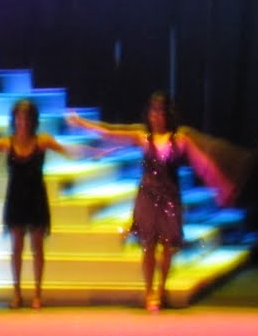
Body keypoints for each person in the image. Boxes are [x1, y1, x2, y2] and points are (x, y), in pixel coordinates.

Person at [67, 93, 246, 310]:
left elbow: (202, 165)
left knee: (169, 246)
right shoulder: (142, 136)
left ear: (168, 115)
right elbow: (110, 131)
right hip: (147, 196)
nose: (157, 116)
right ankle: (149, 290)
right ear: (149, 114)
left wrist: (220, 186)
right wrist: (81, 123)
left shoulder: (180, 139)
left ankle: (161, 286)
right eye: (154, 111)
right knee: (148, 246)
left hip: (170, 197)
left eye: (161, 112)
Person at [0, 99, 78, 309]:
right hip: (16, 199)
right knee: (16, 248)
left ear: (33, 120)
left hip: (36, 198)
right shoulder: (6, 143)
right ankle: (17, 293)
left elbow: (68, 150)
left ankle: (37, 294)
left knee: (37, 248)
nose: (23, 122)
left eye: (27, 118)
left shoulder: (42, 141)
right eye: (19, 117)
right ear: (14, 119)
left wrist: (95, 153)